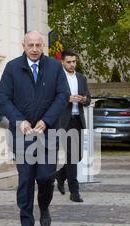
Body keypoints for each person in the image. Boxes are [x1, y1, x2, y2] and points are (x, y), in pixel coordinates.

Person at [0, 31, 69, 226]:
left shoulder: (55, 68)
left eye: (39, 45)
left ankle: (44, 206)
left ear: (43, 46)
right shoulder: (12, 68)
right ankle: (26, 225)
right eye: (31, 45)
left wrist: (46, 120)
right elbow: (2, 97)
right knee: (26, 180)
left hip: (47, 133)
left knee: (46, 178)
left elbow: (62, 95)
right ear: (24, 45)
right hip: (23, 136)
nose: (35, 49)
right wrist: (19, 121)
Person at [56, 49, 91, 202]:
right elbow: (52, 98)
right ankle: (74, 191)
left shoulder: (81, 78)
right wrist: (67, 99)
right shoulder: (57, 78)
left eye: (74, 62)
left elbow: (89, 98)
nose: (71, 64)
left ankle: (60, 175)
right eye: (68, 62)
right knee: (71, 154)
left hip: (78, 119)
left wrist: (83, 99)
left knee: (77, 156)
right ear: (62, 62)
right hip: (64, 120)